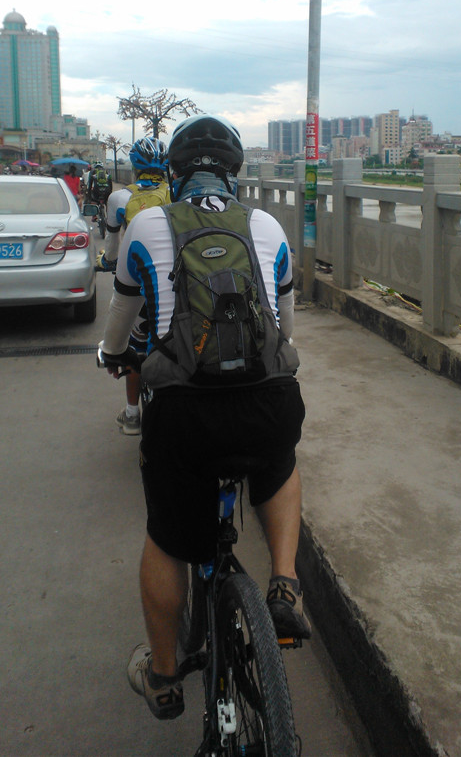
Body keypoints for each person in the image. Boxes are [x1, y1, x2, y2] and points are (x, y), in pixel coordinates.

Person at [98, 114, 309, 722]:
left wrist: (112, 356)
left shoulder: (145, 225)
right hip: (267, 402)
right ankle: (284, 583)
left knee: (169, 536)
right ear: (235, 172)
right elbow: (285, 330)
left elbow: (121, 322)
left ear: (176, 172)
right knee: (278, 463)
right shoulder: (267, 226)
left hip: (185, 415)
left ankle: (165, 677)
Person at [97, 137, 171, 436]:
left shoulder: (120, 198)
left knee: (132, 348)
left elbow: (113, 246)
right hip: (173, 282)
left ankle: (131, 415)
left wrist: (106, 261)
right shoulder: (176, 193)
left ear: (134, 166)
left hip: (138, 283)